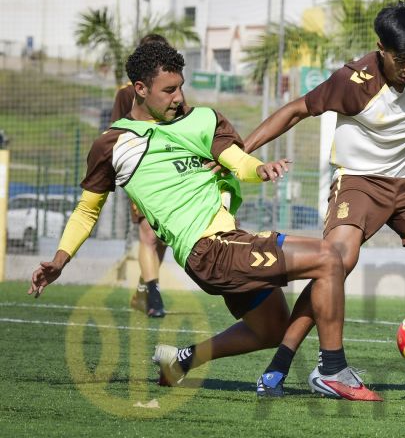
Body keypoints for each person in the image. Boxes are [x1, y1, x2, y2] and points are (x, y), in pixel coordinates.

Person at [29, 41, 381, 401]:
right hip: (208, 250)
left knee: (272, 329)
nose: (178, 97)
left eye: (181, 86)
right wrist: (60, 259)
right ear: (140, 89)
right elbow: (87, 209)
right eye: (168, 90)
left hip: (230, 241)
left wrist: (259, 169)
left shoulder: (202, 119)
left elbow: (236, 159)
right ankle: (333, 371)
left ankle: (181, 362)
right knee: (329, 258)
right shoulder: (113, 144)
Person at [242, 2, 405, 401]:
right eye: (399, 58)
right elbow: (296, 109)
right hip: (359, 181)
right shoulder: (352, 81)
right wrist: (241, 155)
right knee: (334, 261)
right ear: (380, 48)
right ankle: (287, 364)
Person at [111, 33, 171, 318]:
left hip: (168, 175)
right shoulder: (126, 93)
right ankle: (155, 298)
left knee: (161, 238)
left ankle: (143, 291)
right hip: (140, 172)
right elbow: (115, 132)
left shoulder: (172, 92)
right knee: (148, 233)